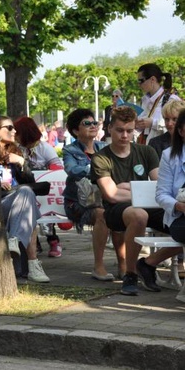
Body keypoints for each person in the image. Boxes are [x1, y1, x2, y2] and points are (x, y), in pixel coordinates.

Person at [91, 106, 181, 295]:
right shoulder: (101, 157)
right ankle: (130, 274)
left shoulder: (146, 151)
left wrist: (127, 186)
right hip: (116, 210)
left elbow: (159, 186)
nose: (125, 135)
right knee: (138, 215)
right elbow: (111, 195)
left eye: (130, 131)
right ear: (109, 129)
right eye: (120, 130)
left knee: (180, 222)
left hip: (151, 205)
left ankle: (148, 264)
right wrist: (139, 191)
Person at [62, 108, 123, 281]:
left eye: (94, 122)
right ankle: (98, 266)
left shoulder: (104, 147)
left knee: (121, 212)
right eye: (86, 123)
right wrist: (96, 170)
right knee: (103, 215)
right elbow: (72, 170)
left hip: (105, 199)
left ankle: (124, 265)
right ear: (75, 130)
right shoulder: (70, 150)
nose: (92, 126)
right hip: (78, 203)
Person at [0, 116, 51, 284]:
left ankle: (16, 242)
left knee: (26, 194)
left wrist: (22, 162)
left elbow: (30, 182)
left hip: (20, 202)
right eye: (9, 128)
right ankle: (33, 265)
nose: (14, 131)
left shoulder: (15, 152)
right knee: (29, 206)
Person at [13, 116, 64, 258]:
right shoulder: (17, 149)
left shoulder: (45, 148)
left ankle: (53, 241)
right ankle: (35, 244)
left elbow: (57, 169)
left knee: (46, 214)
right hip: (25, 187)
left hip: (44, 189)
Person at [155, 109, 185, 302]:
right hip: (179, 218)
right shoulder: (169, 156)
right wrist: (180, 206)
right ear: (181, 132)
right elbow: (161, 194)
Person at [137, 63, 181, 144]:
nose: (139, 84)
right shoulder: (144, 100)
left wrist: (152, 123)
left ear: (152, 79)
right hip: (146, 146)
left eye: (141, 80)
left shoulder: (171, 99)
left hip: (167, 147)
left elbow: (179, 125)